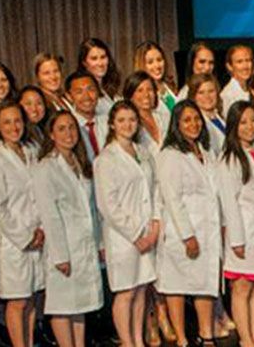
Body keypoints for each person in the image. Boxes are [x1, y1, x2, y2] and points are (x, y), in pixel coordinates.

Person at [33, 110, 104, 347]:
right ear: (51, 135)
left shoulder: (80, 163)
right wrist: (61, 255)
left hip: (84, 244)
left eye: (72, 127)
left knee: (79, 305)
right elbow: (49, 215)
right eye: (61, 129)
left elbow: (92, 209)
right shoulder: (46, 167)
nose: (69, 133)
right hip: (63, 249)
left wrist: (99, 242)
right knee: (63, 306)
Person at [94, 101, 161, 347]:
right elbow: (108, 204)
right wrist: (136, 234)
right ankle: (126, 341)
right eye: (121, 120)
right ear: (112, 123)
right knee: (126, 292)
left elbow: (155, 189)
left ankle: (138, 340)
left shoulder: (143, 152)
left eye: (132, 119)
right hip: (123, 237)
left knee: (142, 288)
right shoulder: (106, 159)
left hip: (147, 232)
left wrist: (154, 226)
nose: (127, 124)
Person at [155, 101, 220, 347]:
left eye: (196, 119)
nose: (193, 124)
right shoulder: (170, 155)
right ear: (176, 125)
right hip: (182, 233)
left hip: (208, 229)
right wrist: (187, 235)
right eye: (186, 120)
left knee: (205, 282)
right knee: (177, 284)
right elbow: (172, 199)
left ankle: (206, 334)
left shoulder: (206, 151)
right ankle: (181, 338)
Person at [0, 101, 45, 347]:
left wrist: (42, 230)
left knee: (30, 299)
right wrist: (27, 236)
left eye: (17, 120)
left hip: (39, 235)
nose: (14, 126)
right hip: (14, 242)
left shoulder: (33, 150)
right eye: (7, 122)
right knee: (17, 301)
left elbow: (42, 192)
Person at [214, 102, 254, 347]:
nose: (250, 127)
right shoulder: (229, 159)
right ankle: (246, 339)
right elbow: (229, 203)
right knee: (242, 288)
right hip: (243, 235)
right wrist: (237, 240)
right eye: (244, 122)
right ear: (233, 127)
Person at [67, 71, 109, 164]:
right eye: (79, 92)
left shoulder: (109, 122)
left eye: (91, 90)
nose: (86, 97)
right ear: (69, 96)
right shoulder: (67, 127)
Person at [78, 38, 122, 115]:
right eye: (94, 59)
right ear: (84, 63)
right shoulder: (83, 92)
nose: (100, 63)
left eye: (103, 57)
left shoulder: (110, 88)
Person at [134, 42, 178, 115]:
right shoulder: (141, 93)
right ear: (141, 65)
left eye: (159, 60)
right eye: (150, 62)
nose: (157, 66)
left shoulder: (169, 86)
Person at [186, 73, 226, 152]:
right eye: (201, 92)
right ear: (193, 96)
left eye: (211, 91)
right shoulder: (197, 125)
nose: (207, 96)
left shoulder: (220, 117)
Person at [220, 45, 254, 119]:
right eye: (240, 62)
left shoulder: (252, 89)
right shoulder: (228, 95)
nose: (245, 66)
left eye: (248, 60)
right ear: (229, 66)